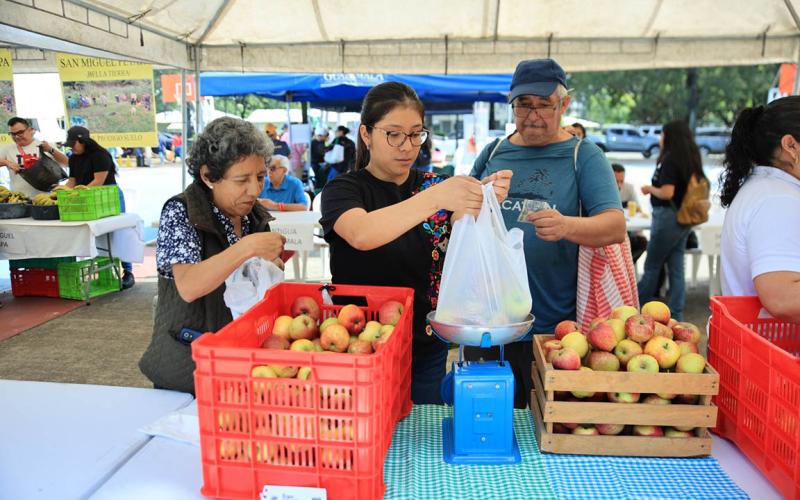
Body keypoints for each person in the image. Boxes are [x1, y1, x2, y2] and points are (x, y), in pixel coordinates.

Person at [320, 82, 511, 404]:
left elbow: (466, 231)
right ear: (366, 134)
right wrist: (435, 198)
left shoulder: (435, 185)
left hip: (426, 343)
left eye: (415, 134)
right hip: (359, 342)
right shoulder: (343, 189)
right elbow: (361, 234)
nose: (407, 146)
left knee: (423, 425)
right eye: (394, 134)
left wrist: (486, 200)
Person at [466, 58, 625, 408]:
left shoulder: (584, 156)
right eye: (524, 105)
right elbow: (458, 216)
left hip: (554, 331)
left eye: (544, 105)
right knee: (484, 420)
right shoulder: (493, 152)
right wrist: (478, 200)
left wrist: (567, 225)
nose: (533, 115)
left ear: (563, 105)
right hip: (489, 322)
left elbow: (615, 226)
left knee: (544, 423)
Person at [139, 117, 285, 394]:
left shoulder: (251, 214)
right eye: (242, 180)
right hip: (189, 366)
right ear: (208, 176)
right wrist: (247, 248)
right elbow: (189, 286)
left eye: (260, 177)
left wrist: (271, 265)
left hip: (243, 361)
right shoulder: (181, 211)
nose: (255, 190)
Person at [718, 97, 800, 322]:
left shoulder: (771, 189)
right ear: (790, 146)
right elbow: (783, 299)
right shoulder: (778, 200)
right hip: (775, 343)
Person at [637, 120, 706, 320]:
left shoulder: (670, 160)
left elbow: (667, 193)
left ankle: (636, 308)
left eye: (662, 134)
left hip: (668, 217)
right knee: (677, 268)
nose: (660, 138)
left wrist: (650, 189)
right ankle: (676, 314)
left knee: (652, 266)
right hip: (684, 219)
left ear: (670, 137)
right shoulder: (690, 159)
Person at [64, 126, 136, 290]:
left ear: (83, 141)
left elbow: (98, 181)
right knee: (96, 236)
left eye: (73, 144)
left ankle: (128, 272)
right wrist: (61, 193)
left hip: (108, 197)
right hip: (85, 197)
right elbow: (72, 181)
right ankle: (105, 272)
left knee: (118, 234)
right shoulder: (73, 158)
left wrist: (78, 194)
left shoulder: (100, 155)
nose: (71, 148)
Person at [0, 117, 69, 197]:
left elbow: (67, 163)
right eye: (13, 134)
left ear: (30, 130)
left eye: (20, 132)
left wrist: (50, 150)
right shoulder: (7, 149)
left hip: (47, 198)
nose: (17, 137)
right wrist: (7, 163)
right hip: (19, 199)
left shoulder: (45, 145)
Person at [612, 163, 647, 262]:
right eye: (616, 181)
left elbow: (639, 209)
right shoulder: (603, 190)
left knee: (642, 241)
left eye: (621, 181)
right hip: (612, 230)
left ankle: (628, 264)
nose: (619, 185)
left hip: (627, 229)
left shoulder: (629, 188)